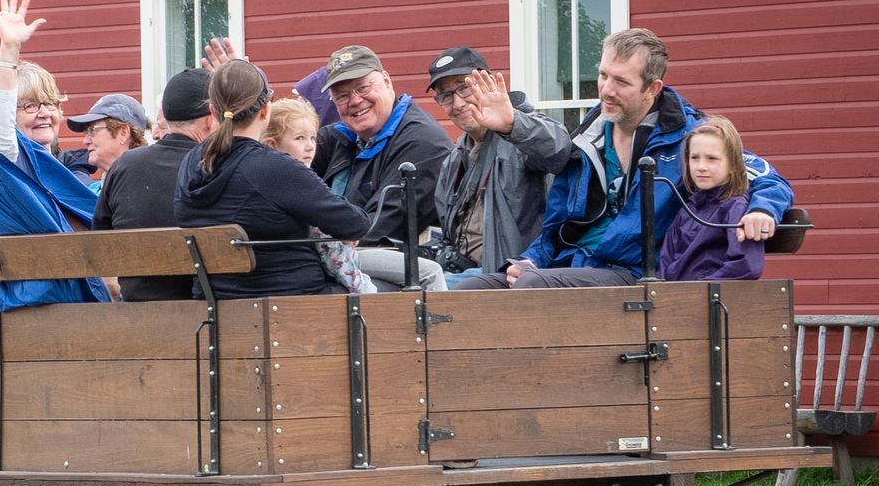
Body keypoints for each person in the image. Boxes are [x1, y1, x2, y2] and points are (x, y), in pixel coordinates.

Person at [457, 28, 792, 289]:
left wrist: (763, 208)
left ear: (653, 88)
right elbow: (561, 224)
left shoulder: (692, 136)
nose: (606, 89)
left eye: (621, 81)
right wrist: (531, 260)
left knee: (532, 288)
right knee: (470, 289)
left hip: (634, 276)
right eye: (603, 75)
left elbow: (765, 176)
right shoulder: (589, 135)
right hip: (572, 265)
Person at [174, 58, 370, 297]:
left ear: (213, 111)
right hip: (291, 302)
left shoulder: (192, 162)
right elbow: (355, 223)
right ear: (266, 109)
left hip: (215, 307)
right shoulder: (274, 167)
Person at [0, 0, 109, 308]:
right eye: (30, 105)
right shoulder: (6, 160)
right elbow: (0, 126)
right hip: (39, 308)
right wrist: (9, 50)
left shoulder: (53, 166)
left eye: (51, 103)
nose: (44, 112)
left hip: (75, 303)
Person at [422, 47, 572, 287]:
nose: (458, 103)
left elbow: (560, 149)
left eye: (464, 88)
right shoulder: (453, 161)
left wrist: (511, 123)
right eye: (446, 96)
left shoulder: (519, 136)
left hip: (513, 273)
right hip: (463, 272)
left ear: (488, 84)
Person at [313, 45, 453, 291]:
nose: (355, 101)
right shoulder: (341, 137)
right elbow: (282, 155)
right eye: (342, 95)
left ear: (387, 80)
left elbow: (376, 230)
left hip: (397, 265)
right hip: (342, 254)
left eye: (363, 87)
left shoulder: (423, 143)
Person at [92, 68, 218, 302]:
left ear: (166, 118)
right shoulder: (215, 168)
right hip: (205, 317)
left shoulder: (125, 165)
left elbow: (101, 241)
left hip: (136, 313)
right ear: (212, 118)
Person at [264, 98, 374, 294]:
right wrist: (364, 288)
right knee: (428, 271)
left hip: (321, 258)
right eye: (299, 138)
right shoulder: (295, 179)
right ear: (272, 144)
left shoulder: (267, 175)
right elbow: (328, 243)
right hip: (328, 264)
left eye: (313, 138)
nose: (309, 146)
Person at [659, 115, 767, 281]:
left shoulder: (736, 207)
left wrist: (698, 290)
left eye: (712, 159)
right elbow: (666, 261)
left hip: (712, 300)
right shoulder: (688, 209)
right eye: (694, 158)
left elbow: (746, 265)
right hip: (674, 299)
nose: (701, 167)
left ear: (733, 165)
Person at [66, 93, 150, 192]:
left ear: (123, 133)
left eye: (93, 130)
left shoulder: (149, 188)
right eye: (86, 132)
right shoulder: (93, 192)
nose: (86, 141)